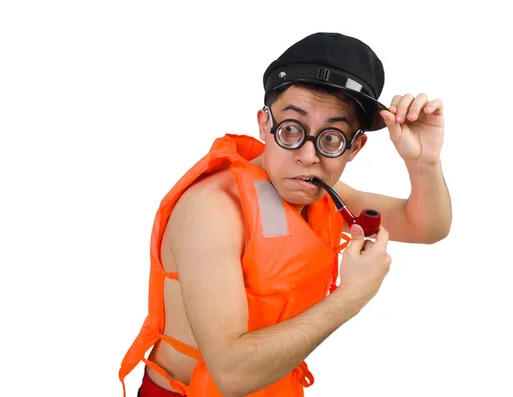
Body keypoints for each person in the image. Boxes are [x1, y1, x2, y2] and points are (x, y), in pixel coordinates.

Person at [118, 32, 452, 397]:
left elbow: (427, 225)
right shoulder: (212, 211)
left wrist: (423, 163)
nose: (308, 156)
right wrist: (351, 295)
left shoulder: (321, 196)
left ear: (354, 147)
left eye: (331, 138)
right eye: (292, 130)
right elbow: (230, 374)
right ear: (264, 125)